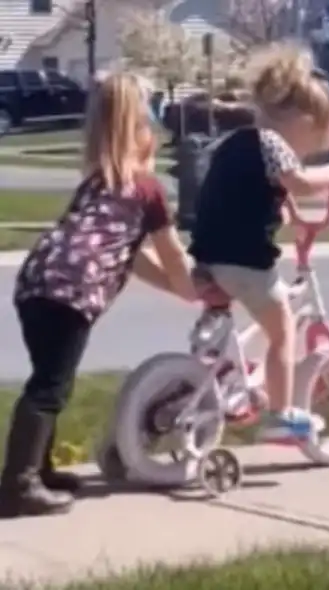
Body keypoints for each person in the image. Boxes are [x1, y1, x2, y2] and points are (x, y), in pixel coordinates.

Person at [1, 72, 196, 518]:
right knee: (50, 388)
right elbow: (171, 256)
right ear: (141, 133)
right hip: (69, 292)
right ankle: (17, 484)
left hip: (37, 282)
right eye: (154, 132)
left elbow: (131, 257)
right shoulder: (147, 190)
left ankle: (38, 471)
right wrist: (196, 290)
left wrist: (177, 290)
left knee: (49, 380)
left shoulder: (98, 183)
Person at [187, 43, 329, 443]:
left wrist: (286, 211)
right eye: (311, 138)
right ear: (300, 119)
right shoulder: (272, 143)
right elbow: (302, 183)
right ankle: (282, 414)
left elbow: (262, 189)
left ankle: (223, 381)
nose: (305, 150)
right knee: (281, 331)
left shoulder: (236, 142)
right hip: (244, 260)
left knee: (235, 323)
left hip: (209, 256)